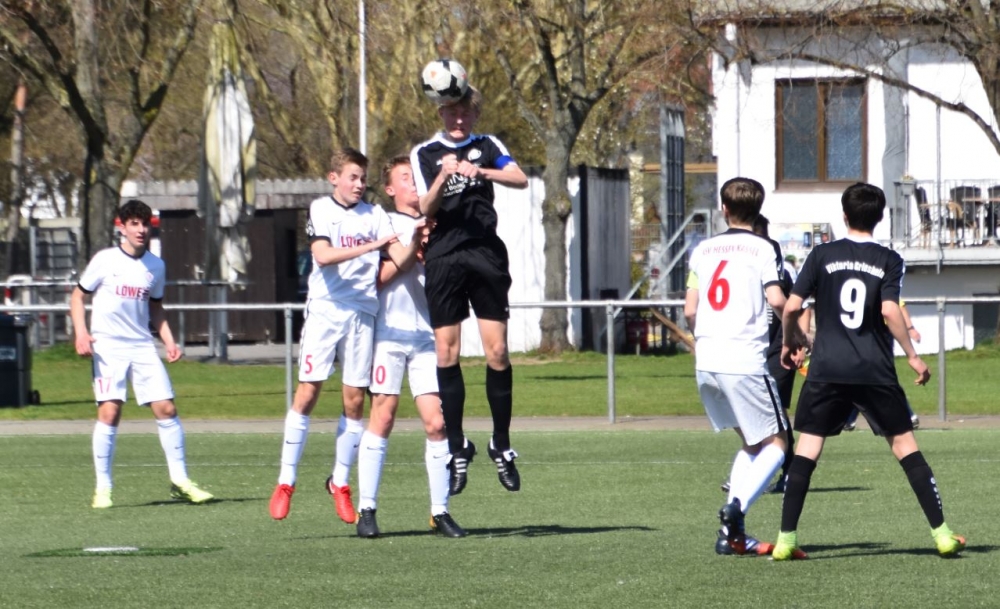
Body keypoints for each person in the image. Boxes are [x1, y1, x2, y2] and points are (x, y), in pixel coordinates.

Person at [773, 182, 965, 560]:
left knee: (808, 450)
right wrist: (912, 356)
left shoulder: (821, 254)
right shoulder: (888, 258)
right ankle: (942, 534)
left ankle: (785, 540)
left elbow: (791, 307)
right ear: (879, 218)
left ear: (844, 215)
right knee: (906, 448)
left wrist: (788, 340)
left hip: (827, 368)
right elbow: (890, 310)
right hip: (873, 369)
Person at [269, 147, 424, 523]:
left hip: (362, 313)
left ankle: (340, 483)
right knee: (308, 392)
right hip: (326, 310)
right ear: (334, 178)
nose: (359, 184)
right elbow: (322, 255)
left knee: (354, 402)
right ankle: (286, 481)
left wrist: (418, 240)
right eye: (352, 177)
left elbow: (400, 259)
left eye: (362, 178)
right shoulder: (321, 209)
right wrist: (372, 246)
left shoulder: (375, 214)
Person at [411, 85, 529, 495]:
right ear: (440, 113)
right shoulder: (425, 153)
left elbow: (520, 178)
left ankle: (501, 444)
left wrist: (482, 172)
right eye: (451, 112)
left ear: (474, 115)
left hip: (485, 253)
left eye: (465, 113)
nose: (458, 120)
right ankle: (458, 446)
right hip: (444, 256)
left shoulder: (488, 145)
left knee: (497, 351)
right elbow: (424, 207)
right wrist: (445, 175)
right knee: (447, 352)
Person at [70, 199, 213, 509]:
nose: (141, 229)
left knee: (167, 409)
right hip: (108, 346)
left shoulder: (156, 266)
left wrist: (169, 342)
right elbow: (77, 297)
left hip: (142, 346)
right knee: (110, 412)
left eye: (145, 224)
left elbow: (156, 308)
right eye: (134, 223)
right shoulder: (105, 260)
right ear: (121, 227)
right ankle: (103, 488)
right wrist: (81, 333)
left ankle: (180, 481)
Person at [354, 155, 465, 539]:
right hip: (388, 334)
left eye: (416, 176)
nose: (413, 183)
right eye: (405, 178)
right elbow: (377, 278)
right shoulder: (382, 223)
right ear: (390, 189)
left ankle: (440, 512)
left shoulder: (438, 222)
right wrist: (414, 242)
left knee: (437, 423)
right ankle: (367, 509)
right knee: (382, 418)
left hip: (426, 336)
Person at [684, 177, 792, 556]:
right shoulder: (763, 248)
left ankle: (731, 536)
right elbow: (777, 300)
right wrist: (797, 335)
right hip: (744, 358)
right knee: (779, 442)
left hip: (707, 360)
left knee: (751, 441)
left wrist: (706, 338)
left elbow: (690, 310)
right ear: (758, 211)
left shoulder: (703, 249)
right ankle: (736, 508)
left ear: (723, 208)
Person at [843, 301, 921, 431]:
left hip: (880, 332)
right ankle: (849, 420)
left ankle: (909, 416)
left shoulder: (882, 288)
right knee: (863, 377)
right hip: (865, 332)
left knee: (881, 377)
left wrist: (910, 328)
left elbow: (898, 304)